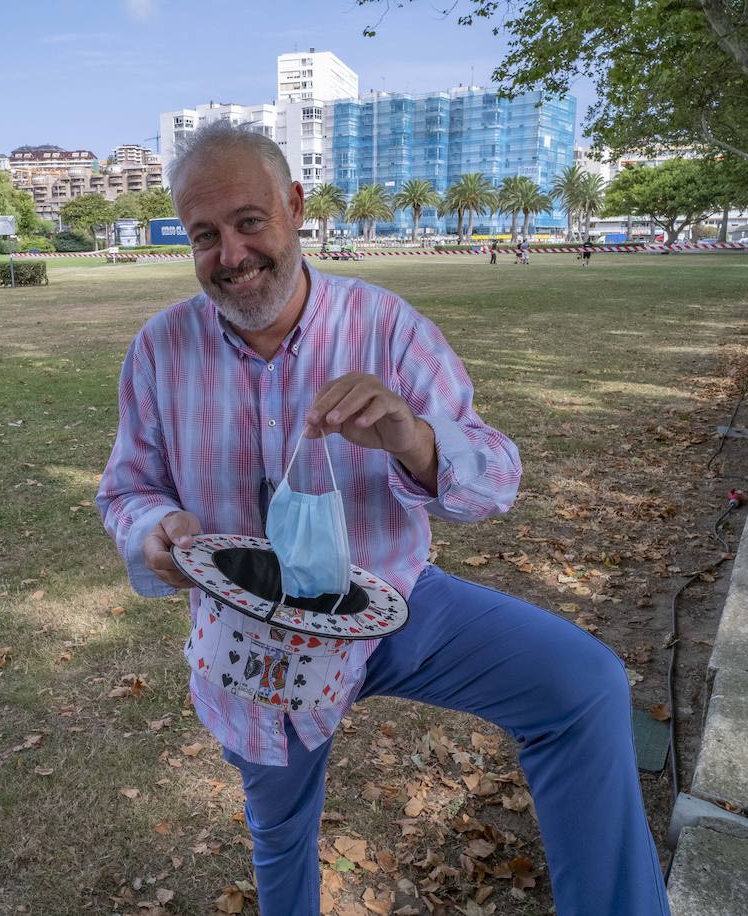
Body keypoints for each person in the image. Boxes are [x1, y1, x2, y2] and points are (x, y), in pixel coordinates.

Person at [96, 120, 670, 916]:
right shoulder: (160, 350)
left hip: (392, 600)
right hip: (255, 645)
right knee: (280, 830)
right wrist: (152, 528)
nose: (230, 256)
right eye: (204, 235)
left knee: (584, 687)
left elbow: (495, 476)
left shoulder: (386, 326)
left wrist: (413, 439)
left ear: (295, 208)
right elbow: (126, 489)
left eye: (249, 222)